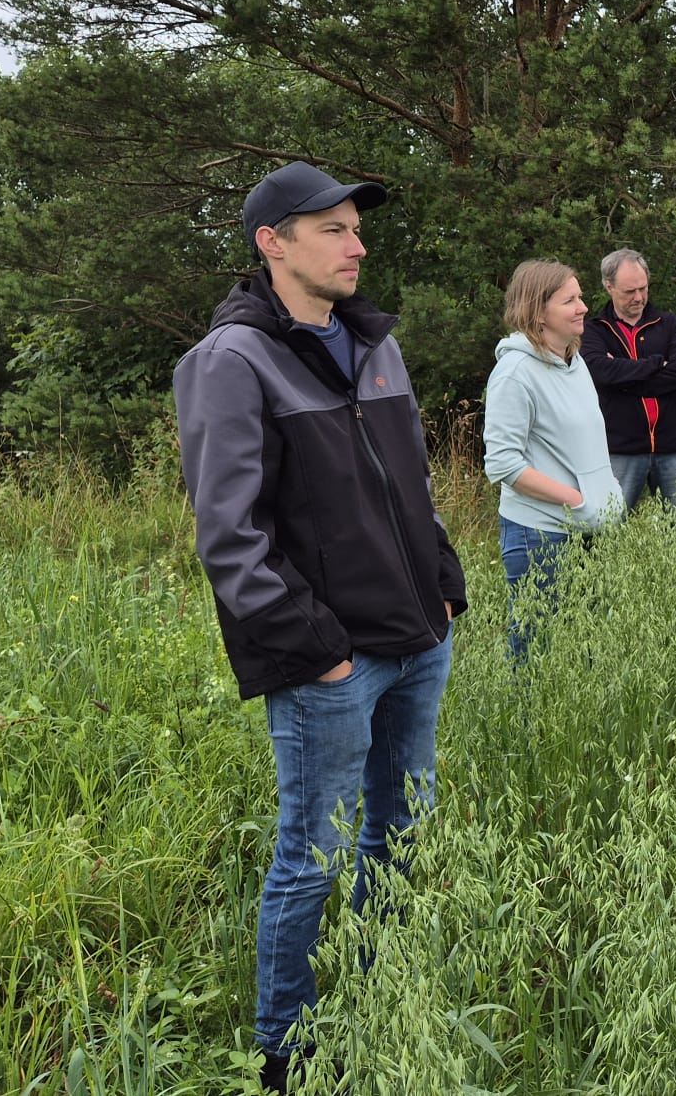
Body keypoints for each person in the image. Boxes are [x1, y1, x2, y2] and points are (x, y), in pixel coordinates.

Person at [172, 161, 465, 1092]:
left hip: (418, 637)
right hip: (332, 661)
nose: (357, 245)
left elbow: (412, 485)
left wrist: (444, 584)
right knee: (313, 856)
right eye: (333, 229)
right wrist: (320, 652)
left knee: (402, 828)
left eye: (356, 228)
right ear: (273, 243)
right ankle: (285, 1052)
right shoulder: (230, 362)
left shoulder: (375, 343)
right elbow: (229, 536)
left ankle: (384, 996)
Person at [482, 259, 626, 649]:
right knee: (536, 653)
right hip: (540, 535)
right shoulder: (515, 373)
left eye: (580, 297)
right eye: (569, 301)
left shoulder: (574, 362)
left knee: (587, 651)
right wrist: (577, 500)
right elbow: (503, 464)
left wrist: (603, 497)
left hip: (591, 531)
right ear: (538, 311)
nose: (583, 307)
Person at [584, 248, 676, 509]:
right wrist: (657, 364)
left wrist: (624, 380)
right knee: (610, 522)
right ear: (609, 287)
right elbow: (600, 373)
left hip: (673, 446)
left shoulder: (670, 324)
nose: (638, 297)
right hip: (620, 448)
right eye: (629, 291)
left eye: (643, 288)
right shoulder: (594, 331)